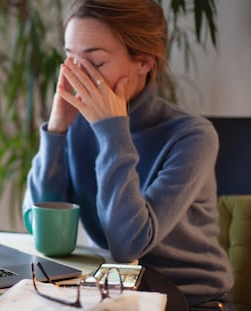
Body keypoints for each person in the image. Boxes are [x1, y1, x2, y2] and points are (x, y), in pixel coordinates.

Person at [22, 0, 234, 309]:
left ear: (144, 62)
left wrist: (112, 133)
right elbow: (39, 224)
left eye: (95, 62)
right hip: (118, 291)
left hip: (191, 300)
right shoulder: (81, 125)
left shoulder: (193, 137)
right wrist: (57, 129)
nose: (76, 74)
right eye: (69, 58)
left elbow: (128, 244)